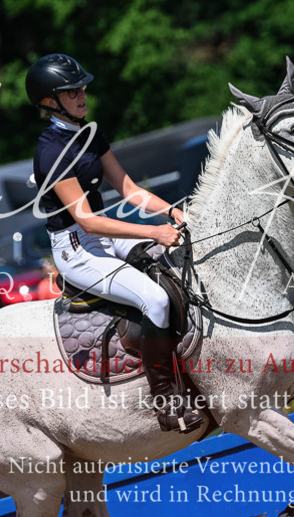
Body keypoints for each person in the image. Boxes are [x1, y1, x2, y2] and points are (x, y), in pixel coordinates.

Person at [24, 52, 201, 434]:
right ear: (50, 102)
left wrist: (172, 212)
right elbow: (87, 219)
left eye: (82, 88)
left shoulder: (88, 132)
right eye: (72, 92)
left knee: (175, 266)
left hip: (103, 237)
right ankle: (166, 400)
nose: (82, 95)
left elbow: (129, 189)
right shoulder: (51, 151)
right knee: (154, 299)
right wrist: (153, 232)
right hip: (77, 249)